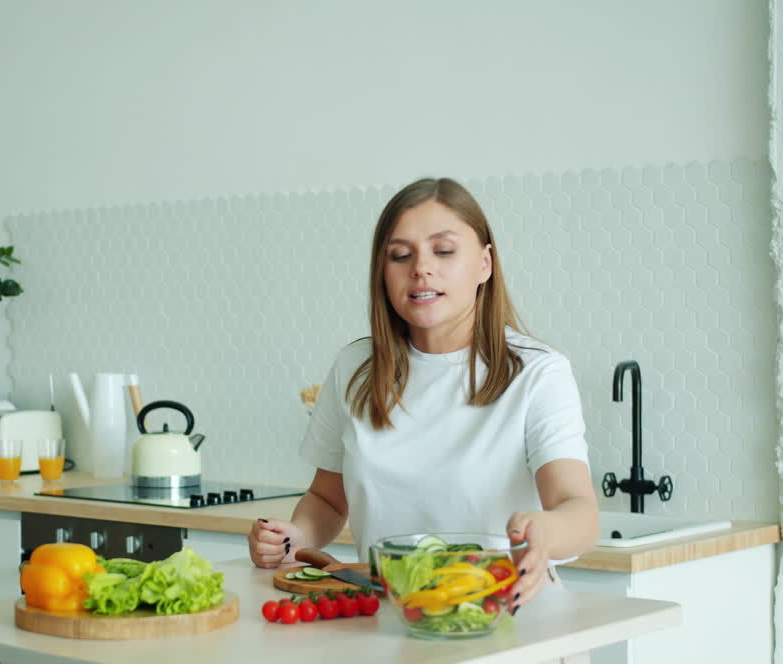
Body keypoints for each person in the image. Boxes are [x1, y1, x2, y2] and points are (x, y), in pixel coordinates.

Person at [248, 177, 599, 618]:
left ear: (485, 263)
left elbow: (579, 511)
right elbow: (328, 500)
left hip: (508, 616)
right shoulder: (355, 369)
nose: (421, 268)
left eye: (444, 250)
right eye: (400, 255)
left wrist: (547, 530)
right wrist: (295, 537)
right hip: (393, 617)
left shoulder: (538, 373)